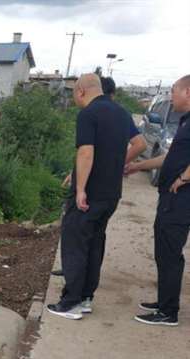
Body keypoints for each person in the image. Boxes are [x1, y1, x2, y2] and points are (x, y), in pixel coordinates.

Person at [47, 74, 143, 320]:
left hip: (90, 194)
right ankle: (86, 298)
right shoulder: (122, 113)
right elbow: (140, 144)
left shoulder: (88, 114)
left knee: (75, 244)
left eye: (74, 94)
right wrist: (116, 164)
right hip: (111, 194)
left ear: (80, 91)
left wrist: (80, 189)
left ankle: (71, 302)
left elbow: (86, 153)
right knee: (94, 244)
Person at [125, 74, 190, 326]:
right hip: (170, 198)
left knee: (170, 253)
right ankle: (164, 302)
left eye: (174, 91)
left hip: (180, 199)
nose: (171, 97)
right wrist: (137, 166)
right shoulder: (185, 121)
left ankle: (168, 312)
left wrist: (183, 178)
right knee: (163, 251)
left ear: (188, 92)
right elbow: (168, 158)